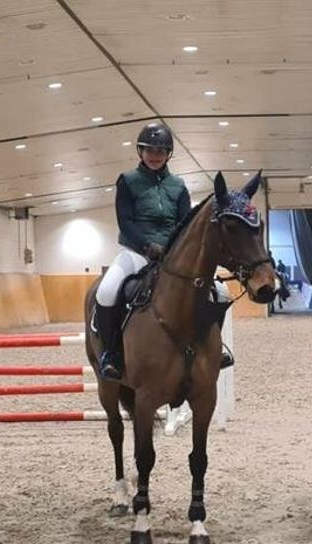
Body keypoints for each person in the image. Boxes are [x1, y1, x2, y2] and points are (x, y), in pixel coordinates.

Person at [95, 123, 233, 380]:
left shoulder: (178, 185)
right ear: (141, 151)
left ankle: (215, 346)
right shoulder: (127, 181)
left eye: (160, 150)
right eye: (149, 150)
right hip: (136, 252)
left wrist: (176, 249)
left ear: (168, 153)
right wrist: (146, 246)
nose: (155, 155)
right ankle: (111, 353)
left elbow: (185, 224)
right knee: (106, 291)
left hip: (172, 254)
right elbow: (125, 221)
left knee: (221, 292)